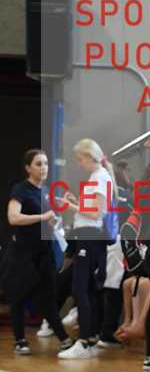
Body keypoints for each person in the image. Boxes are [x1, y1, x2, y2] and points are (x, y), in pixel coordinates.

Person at [1, 149, 72, 355]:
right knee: (19, 297)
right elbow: (13, 218)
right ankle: (20, 341)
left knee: (49, 297)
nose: (44, 168)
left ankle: (64, 339)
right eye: (39, 164)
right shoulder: (20, 190)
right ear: (28, 168)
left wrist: (54, 220)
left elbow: (47, 219)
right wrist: (42, 217)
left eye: (46, 163)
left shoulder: (46, 192)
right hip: (23, 253)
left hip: (44, 252)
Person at [58, 138, 116, 359]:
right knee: (87, 289)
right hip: (87, 236)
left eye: (80, 159)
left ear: (90, 157)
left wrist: (71, 206)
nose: (79, 163)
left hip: (90, 237)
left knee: (81, 288)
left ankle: (84, 340)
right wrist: (77, 202)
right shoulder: (97, 177)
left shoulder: (100, 177)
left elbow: (96, 213)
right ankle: (89, 337)